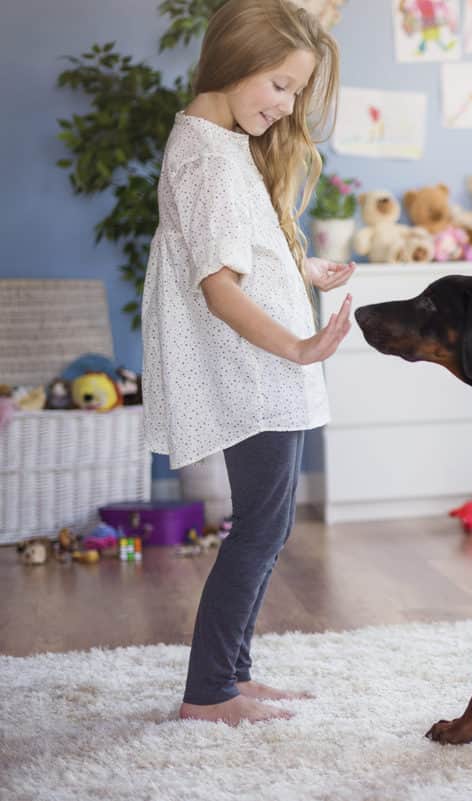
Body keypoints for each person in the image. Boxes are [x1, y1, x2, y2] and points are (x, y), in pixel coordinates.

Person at [141, 0, 355, 726]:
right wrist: (297, 345)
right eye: (280, 85)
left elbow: (246, 247)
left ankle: (232, 672)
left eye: (295, 90)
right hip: (253, 372)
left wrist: (305, 268)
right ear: (234, 63)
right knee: (261, 528)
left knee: (271, 525)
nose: (287, 105)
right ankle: (209, 692)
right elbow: (218, 285)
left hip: (266, 373)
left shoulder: (222, 142)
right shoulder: (203, 155)